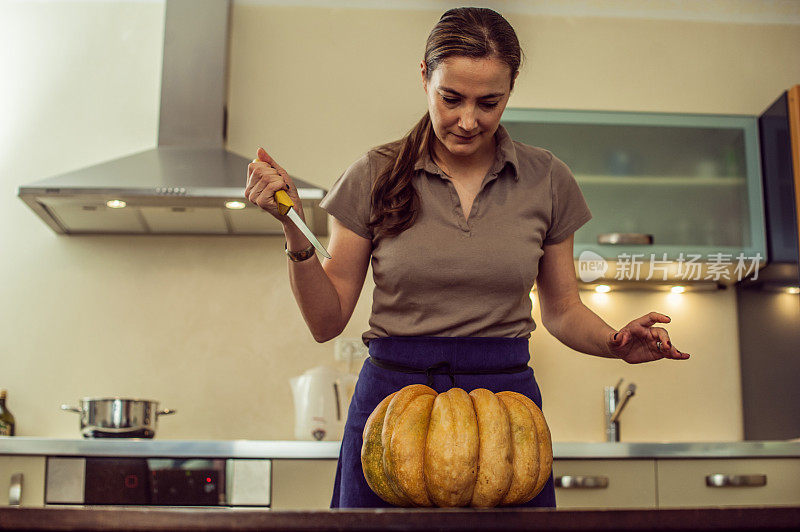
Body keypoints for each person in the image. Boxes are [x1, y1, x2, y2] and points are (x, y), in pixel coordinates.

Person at [245, 7, 691, 509]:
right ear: (424, 77)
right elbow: (326, 321)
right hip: (394, 406)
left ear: (511, 91)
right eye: (450, 98)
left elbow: (562, 309)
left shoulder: (546, 178)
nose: (468, 120)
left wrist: (614, 341)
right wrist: (293, 226)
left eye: (489, 102)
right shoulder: (374, 173)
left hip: (505, 411)